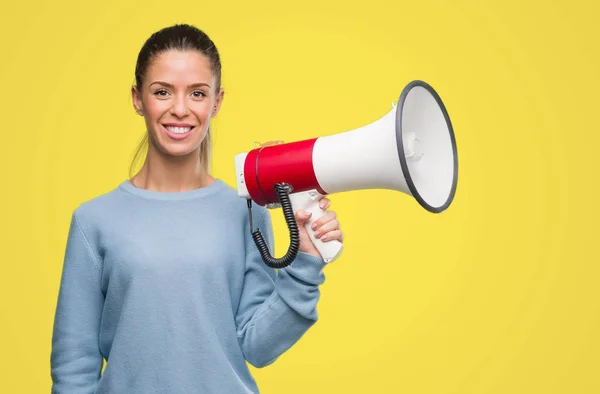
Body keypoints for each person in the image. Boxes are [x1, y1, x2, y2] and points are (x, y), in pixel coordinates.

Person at [50, 24, 344, 393]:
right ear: (138, 98)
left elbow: (258, 346)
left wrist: (304, 264)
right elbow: (73, 367)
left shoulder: (248, 210)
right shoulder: (93, 221)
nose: (180, 109)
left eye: (197, 93)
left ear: (216, 102)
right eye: (162, 92)